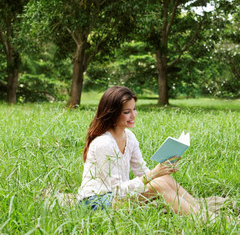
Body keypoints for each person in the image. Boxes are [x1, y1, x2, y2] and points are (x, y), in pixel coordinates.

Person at [77, 86, 201, 215]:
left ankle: (202, 211)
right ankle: (200, 219)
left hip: (117, 196)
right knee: (159, 186)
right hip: (96, 201)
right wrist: (154, 174)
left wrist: (163, 170)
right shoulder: (103, 143)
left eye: (134, 109)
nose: (133, 115)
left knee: (165, 179)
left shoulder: (129, 137)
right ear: (112, 113)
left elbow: (141, 172)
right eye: (127, 112)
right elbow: (117, 190)